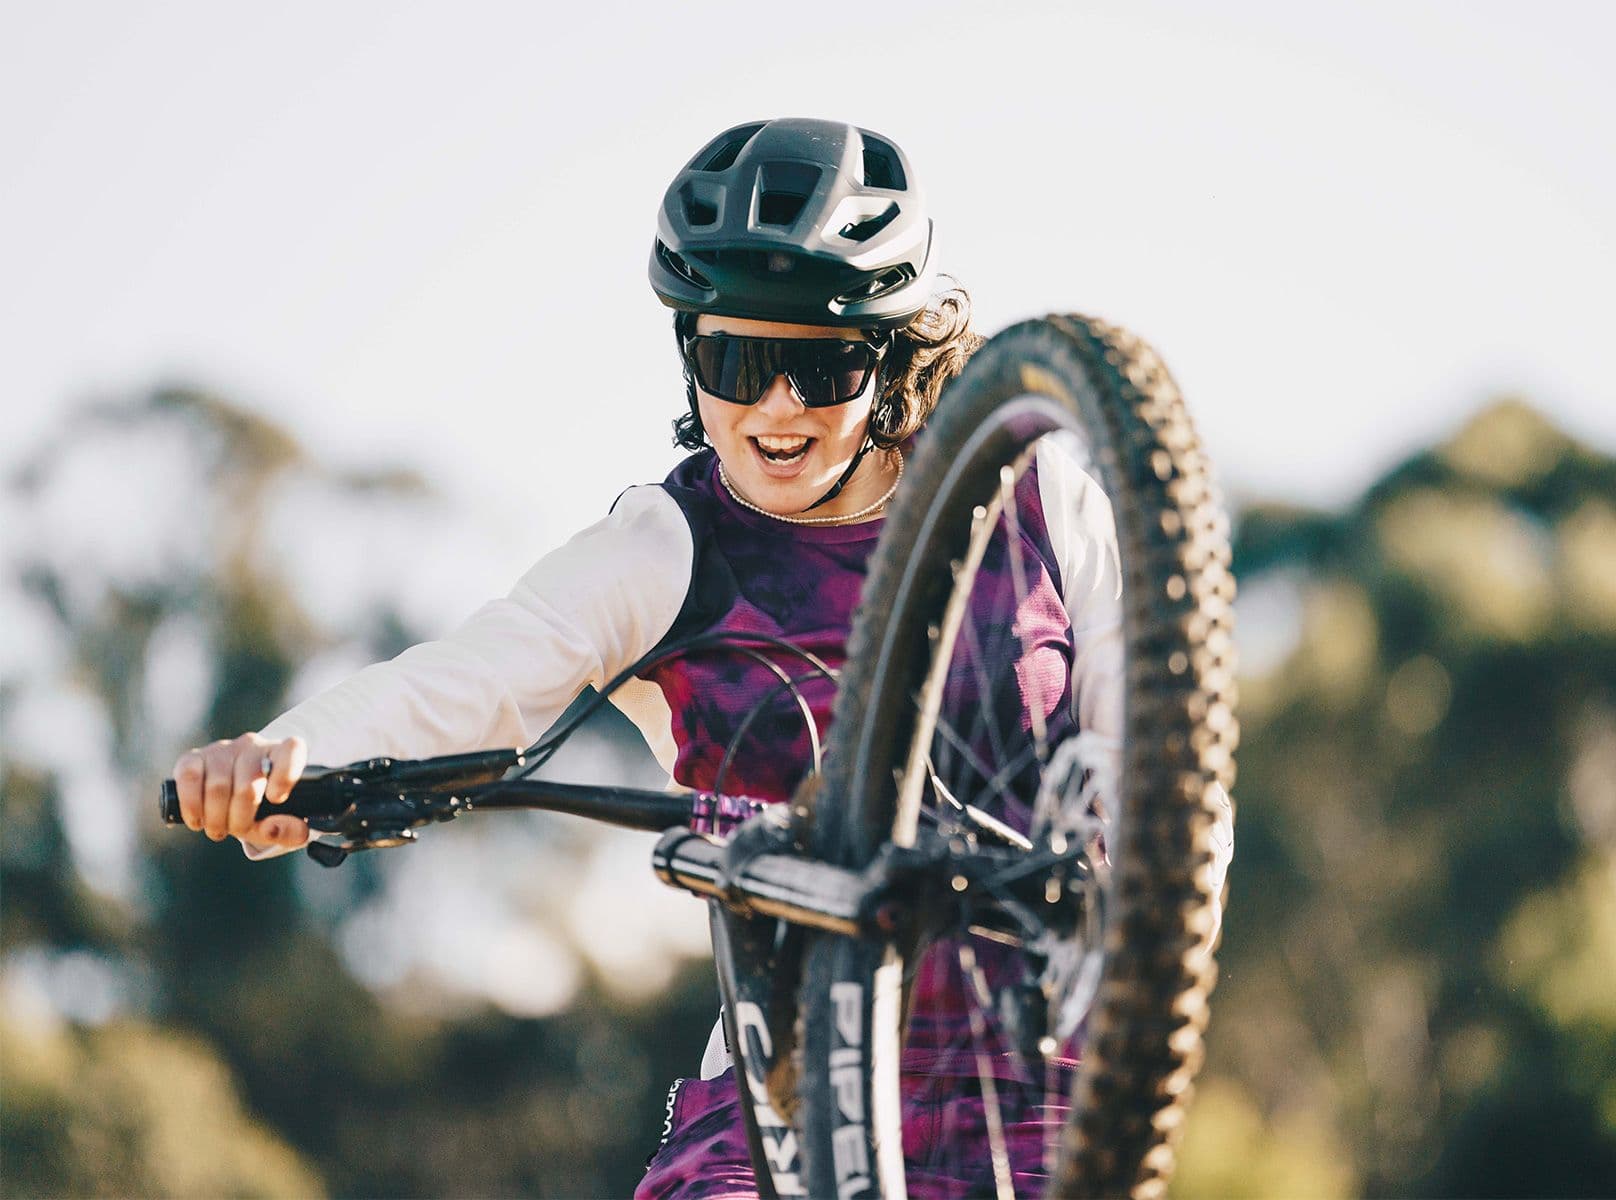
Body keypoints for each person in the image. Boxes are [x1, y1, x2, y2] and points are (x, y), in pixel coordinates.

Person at [171, 117, 1227, 1198]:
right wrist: (290, 758)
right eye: (738, 361)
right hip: (784, 1085)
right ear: (690, 356)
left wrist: (1143, 907)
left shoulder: (1038, 500)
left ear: (887, 357)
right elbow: (469, 679)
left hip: (1032, 1075)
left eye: (820, 366)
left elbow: (1170, 757)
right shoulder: (664, 549)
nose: (776, 407)